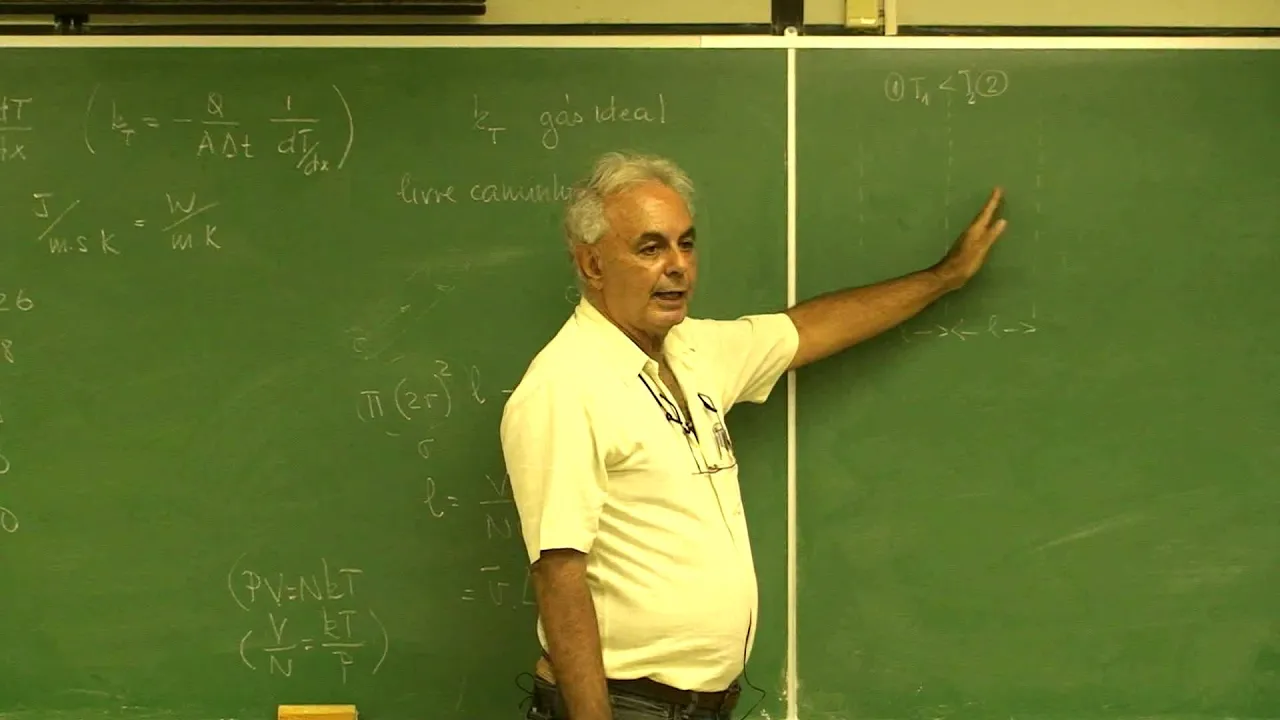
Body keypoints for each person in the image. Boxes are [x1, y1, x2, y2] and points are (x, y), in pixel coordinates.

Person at [499, 151, 1008, 720]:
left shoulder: (694, 351)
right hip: (626, 705)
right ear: (592, 264)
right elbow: (559, 575)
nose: (678, 266)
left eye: (686, 244)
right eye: (651, 248)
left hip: (698, 707)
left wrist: (943, 278)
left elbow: (808, 329)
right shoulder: (565, 387)